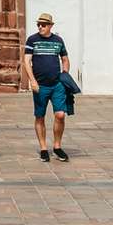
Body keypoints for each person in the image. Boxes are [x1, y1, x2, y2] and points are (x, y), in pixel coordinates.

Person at [22, 12, 71, 163]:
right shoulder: (32, 40)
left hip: (57, 84)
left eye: (43, 25)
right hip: (40, 85)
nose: (40, 27)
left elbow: (65, 58)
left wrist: (65, 75)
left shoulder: (58, 40)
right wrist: (33, 81)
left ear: (50, 26)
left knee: (60, 115)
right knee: (40, 116)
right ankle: (44, 148)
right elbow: (26, 61)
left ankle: (57, 146)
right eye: (38, 24)